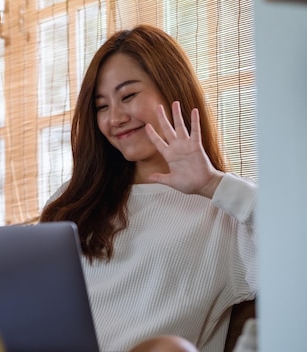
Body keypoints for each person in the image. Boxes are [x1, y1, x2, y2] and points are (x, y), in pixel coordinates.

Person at [40, 24, 257, 352]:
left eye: (128, 96)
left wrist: (211, 184)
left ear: (172, 90)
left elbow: (297, 243)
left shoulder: (224, 211)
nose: (115, 118)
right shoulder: (73, 200)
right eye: (101, 106)